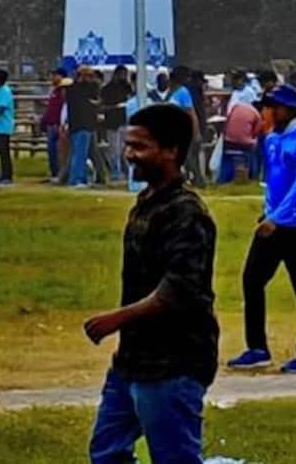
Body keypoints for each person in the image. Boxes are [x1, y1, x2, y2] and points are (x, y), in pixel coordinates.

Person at [82, 103, 217, 464]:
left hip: (174, 362)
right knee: (106, 452)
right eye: (128, 145)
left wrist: (116, 319)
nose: (129, 155)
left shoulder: (187, 213)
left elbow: (179, 291)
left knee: (174, 458)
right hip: (133, 360)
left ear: (171, 151)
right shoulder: (147, 203)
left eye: (140, 147)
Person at [227, 85, 296, 374]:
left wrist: (278, 217)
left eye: (273, 107)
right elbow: (274, 181)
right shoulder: (270, 139)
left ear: (289, 110)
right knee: (252, 279)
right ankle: (257, 348)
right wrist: (268, 212)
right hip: (272, 221)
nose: (267, 112)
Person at [67, 67, 104, 187]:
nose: (90, 79)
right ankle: (77, 179)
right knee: (80, 154)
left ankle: (79, 177)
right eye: (88, 76)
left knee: (78, 153)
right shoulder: (79, 90)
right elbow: (89, 104)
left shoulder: (73, 89)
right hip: (82, 125)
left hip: (80, 125)